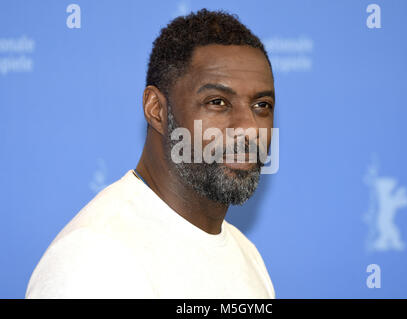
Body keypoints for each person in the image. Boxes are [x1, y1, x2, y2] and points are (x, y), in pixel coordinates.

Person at [26, 8, 276, 299]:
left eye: (262, 105)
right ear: (156, 109)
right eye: (217, 102)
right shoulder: (94, 257)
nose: (248, 128)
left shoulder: (248, 256)